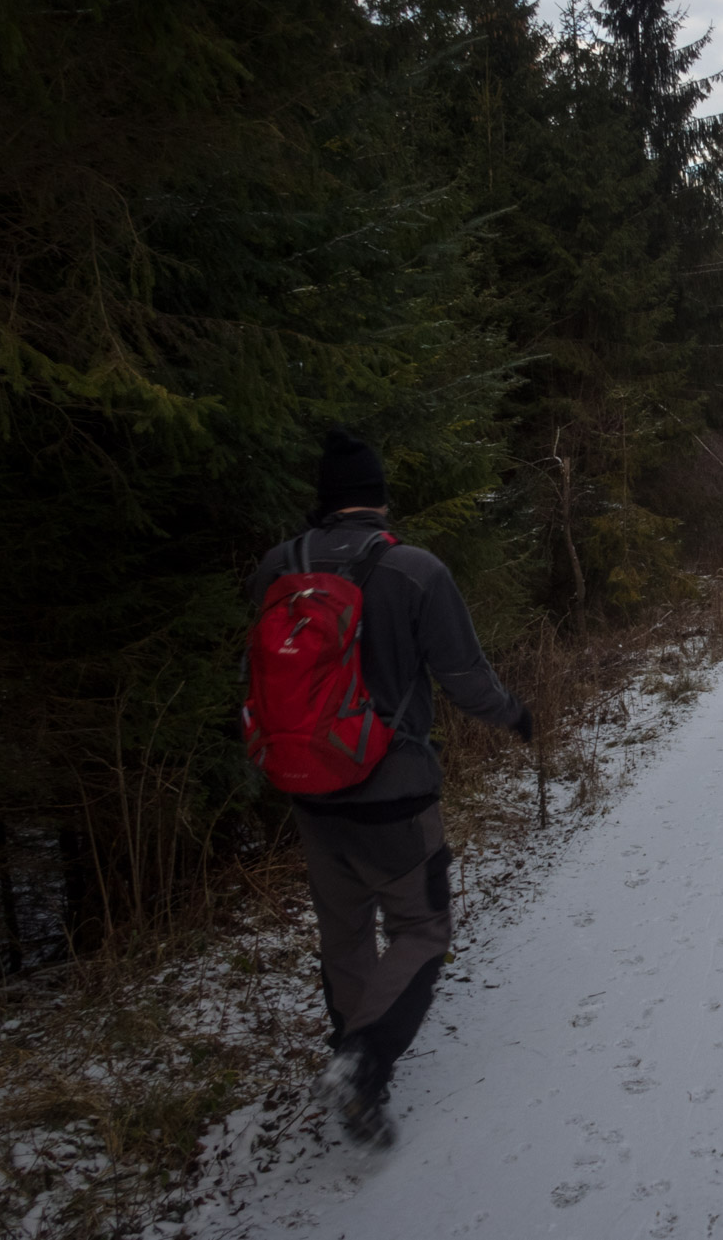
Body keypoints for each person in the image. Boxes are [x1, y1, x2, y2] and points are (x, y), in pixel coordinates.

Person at [246, 427, 532, 1147]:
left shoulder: (276, 567)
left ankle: (352, 1059)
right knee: (421, 925)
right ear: (378, 498)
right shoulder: (414, 570)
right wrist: (516, 716)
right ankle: (364, 1063)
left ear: (325, 500)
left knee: (344, 935)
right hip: (394, 789)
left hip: (308, 790)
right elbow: (465, 678)